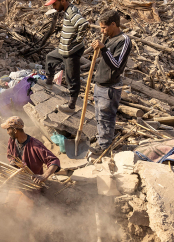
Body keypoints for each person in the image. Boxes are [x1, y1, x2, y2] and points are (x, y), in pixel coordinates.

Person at [89, 10, 132, 155]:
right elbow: (106, 60)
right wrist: (99, 48)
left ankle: (104, 148)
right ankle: (102, 140)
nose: (102, 31)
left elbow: (117, 64)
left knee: (106, 117)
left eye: (104, 27)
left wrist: (104, 48)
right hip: (100, 84)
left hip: (110, 88)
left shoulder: (124, 40)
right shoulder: (109, 38)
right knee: (99, 116)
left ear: (113, 24)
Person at [44, 0, 89, 113]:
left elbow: (84, 24)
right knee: (50, 57)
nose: (54, 7)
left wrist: (78, 39)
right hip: (63, 49)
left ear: (63, 1)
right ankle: (49, 83)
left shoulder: (71, 12)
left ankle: (71, 106)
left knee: (72, 78)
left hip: (71, 52)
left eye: (55, 4)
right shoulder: (67, 10)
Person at [1, 116, 61, 184]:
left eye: (8, 129)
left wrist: (44, 176)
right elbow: (10, 156)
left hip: (31, 183)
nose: (7, 132)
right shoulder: (12, 140)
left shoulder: (35, 145)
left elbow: (54, 161)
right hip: (17, 181)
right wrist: (12, 163)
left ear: (15, 130)